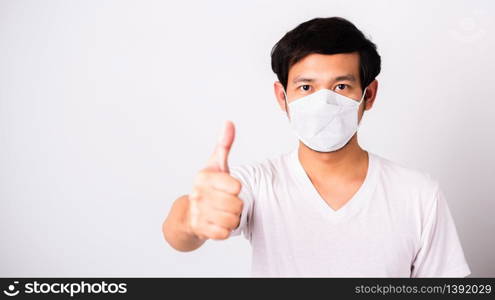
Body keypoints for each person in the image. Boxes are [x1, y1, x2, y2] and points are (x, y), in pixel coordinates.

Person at [162, 17, 471, 277]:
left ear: (370, 95)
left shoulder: (417, 194)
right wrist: (191, 219)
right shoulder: (257, 185)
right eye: (306, 87)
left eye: (341, 86)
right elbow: (180, 232)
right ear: (282, 97)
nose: (323, 102)